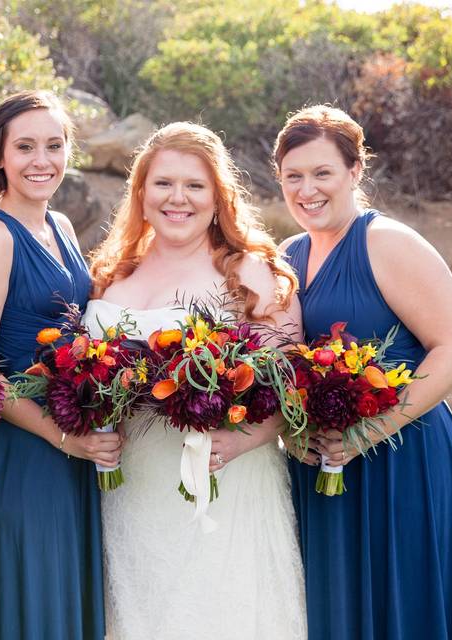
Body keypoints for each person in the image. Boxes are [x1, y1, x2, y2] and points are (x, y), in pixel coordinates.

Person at [273, 105, 452, 639]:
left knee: (408, 600)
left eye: (322, 173)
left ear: (355, 171)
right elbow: (281, 362)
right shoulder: (287, 255)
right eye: (293, 177)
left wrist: (367, 433)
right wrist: (292, 430)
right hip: (322, 460)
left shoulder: (389, 243)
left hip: (403, 455)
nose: (306, 189)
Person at [85, 122, 308, 639]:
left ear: (218, 198)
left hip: (223, 482)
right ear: (140, 194)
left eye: (194, 185)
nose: (177, 198)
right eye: (163, 183)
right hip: (128, 488)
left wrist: (240, 441)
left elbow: (293, 385)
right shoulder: (112, 275)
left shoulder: (251, 274)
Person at [0, 90, 119, 640]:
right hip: (22, 448)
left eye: (54, 144)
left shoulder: (64, 226)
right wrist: (59, 437)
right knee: (31, 602)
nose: (41, 160)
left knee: (65, 598)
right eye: (25, 147)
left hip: (72, 440)